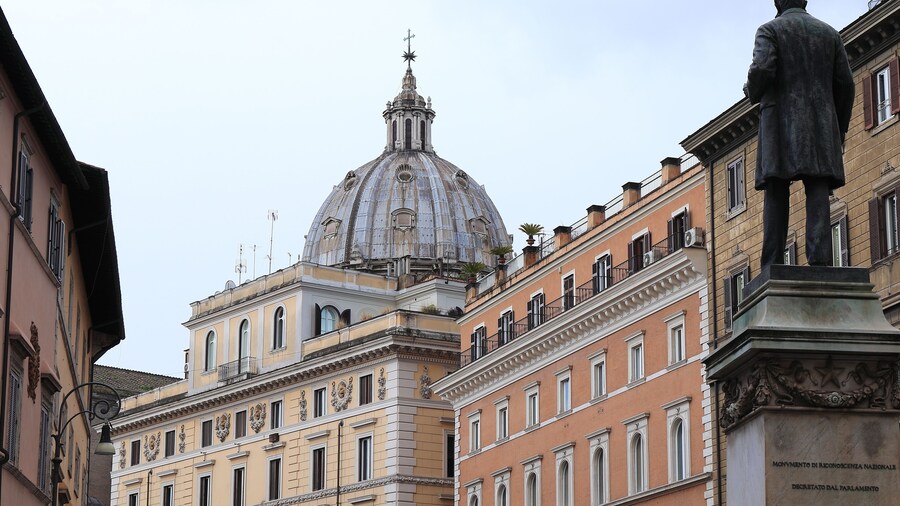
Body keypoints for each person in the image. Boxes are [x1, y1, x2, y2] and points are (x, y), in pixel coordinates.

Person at [745, 0, 854, 268]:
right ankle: (821, 262)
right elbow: (846, 85)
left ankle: (772, 264)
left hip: (779, 125)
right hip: (820, 127)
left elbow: (762, 68)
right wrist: (837, 129)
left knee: (776, 190)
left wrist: (751, 89)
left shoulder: (769, 30)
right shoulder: (829, 34)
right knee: (817, 189)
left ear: (778, 2)